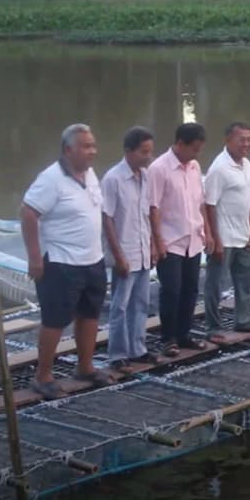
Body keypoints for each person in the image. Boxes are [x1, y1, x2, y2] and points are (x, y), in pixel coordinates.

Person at [20, 123, 112, 399]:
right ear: (68, 149)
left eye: (93, 145)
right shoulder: (51, 179)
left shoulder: (90, 174)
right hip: (61, 262)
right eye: (86, 146)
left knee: (90, 315)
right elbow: (28, 213)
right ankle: (43, 376)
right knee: (55, 320)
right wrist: (35, 257)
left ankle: (85, 367)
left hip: (93, 259)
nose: (92, 151)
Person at [149, 123, 208, 358]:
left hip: (193, 237)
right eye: (194, 149)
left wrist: (209, 233)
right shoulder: (159, 168)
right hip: (170, 239)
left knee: (191, 289)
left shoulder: (194, 166)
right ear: (180, 143)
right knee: (171, 290)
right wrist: (157, 241)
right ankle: (168, 338)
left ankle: (184, 333)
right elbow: (153, 208)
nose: (196, 154)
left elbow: (200, 203)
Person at [102, 126, 157, 367]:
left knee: (141, 303)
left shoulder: (145, 177)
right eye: (144, 152)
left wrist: (154, 244)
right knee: (120, 306)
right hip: (125, 251)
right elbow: (107, 219)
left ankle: (138, 348)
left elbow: (147, 214)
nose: (148, 157)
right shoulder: (113, 179)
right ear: (129, 151)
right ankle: (118, 354)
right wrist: (118, 255)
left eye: (150, 151)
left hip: (143, 249)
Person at [203, 122, 250, 343]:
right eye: (241, 139)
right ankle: (212, 326)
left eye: (248, 139)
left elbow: (248, 200)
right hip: (224, 237)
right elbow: (209, 205)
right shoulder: (219, 168)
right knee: (215, 283)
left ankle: (243, 320)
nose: (246, 144)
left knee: (244, 280)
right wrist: (215, 239)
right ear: (228, 140)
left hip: (243, 234)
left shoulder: (246, 164)